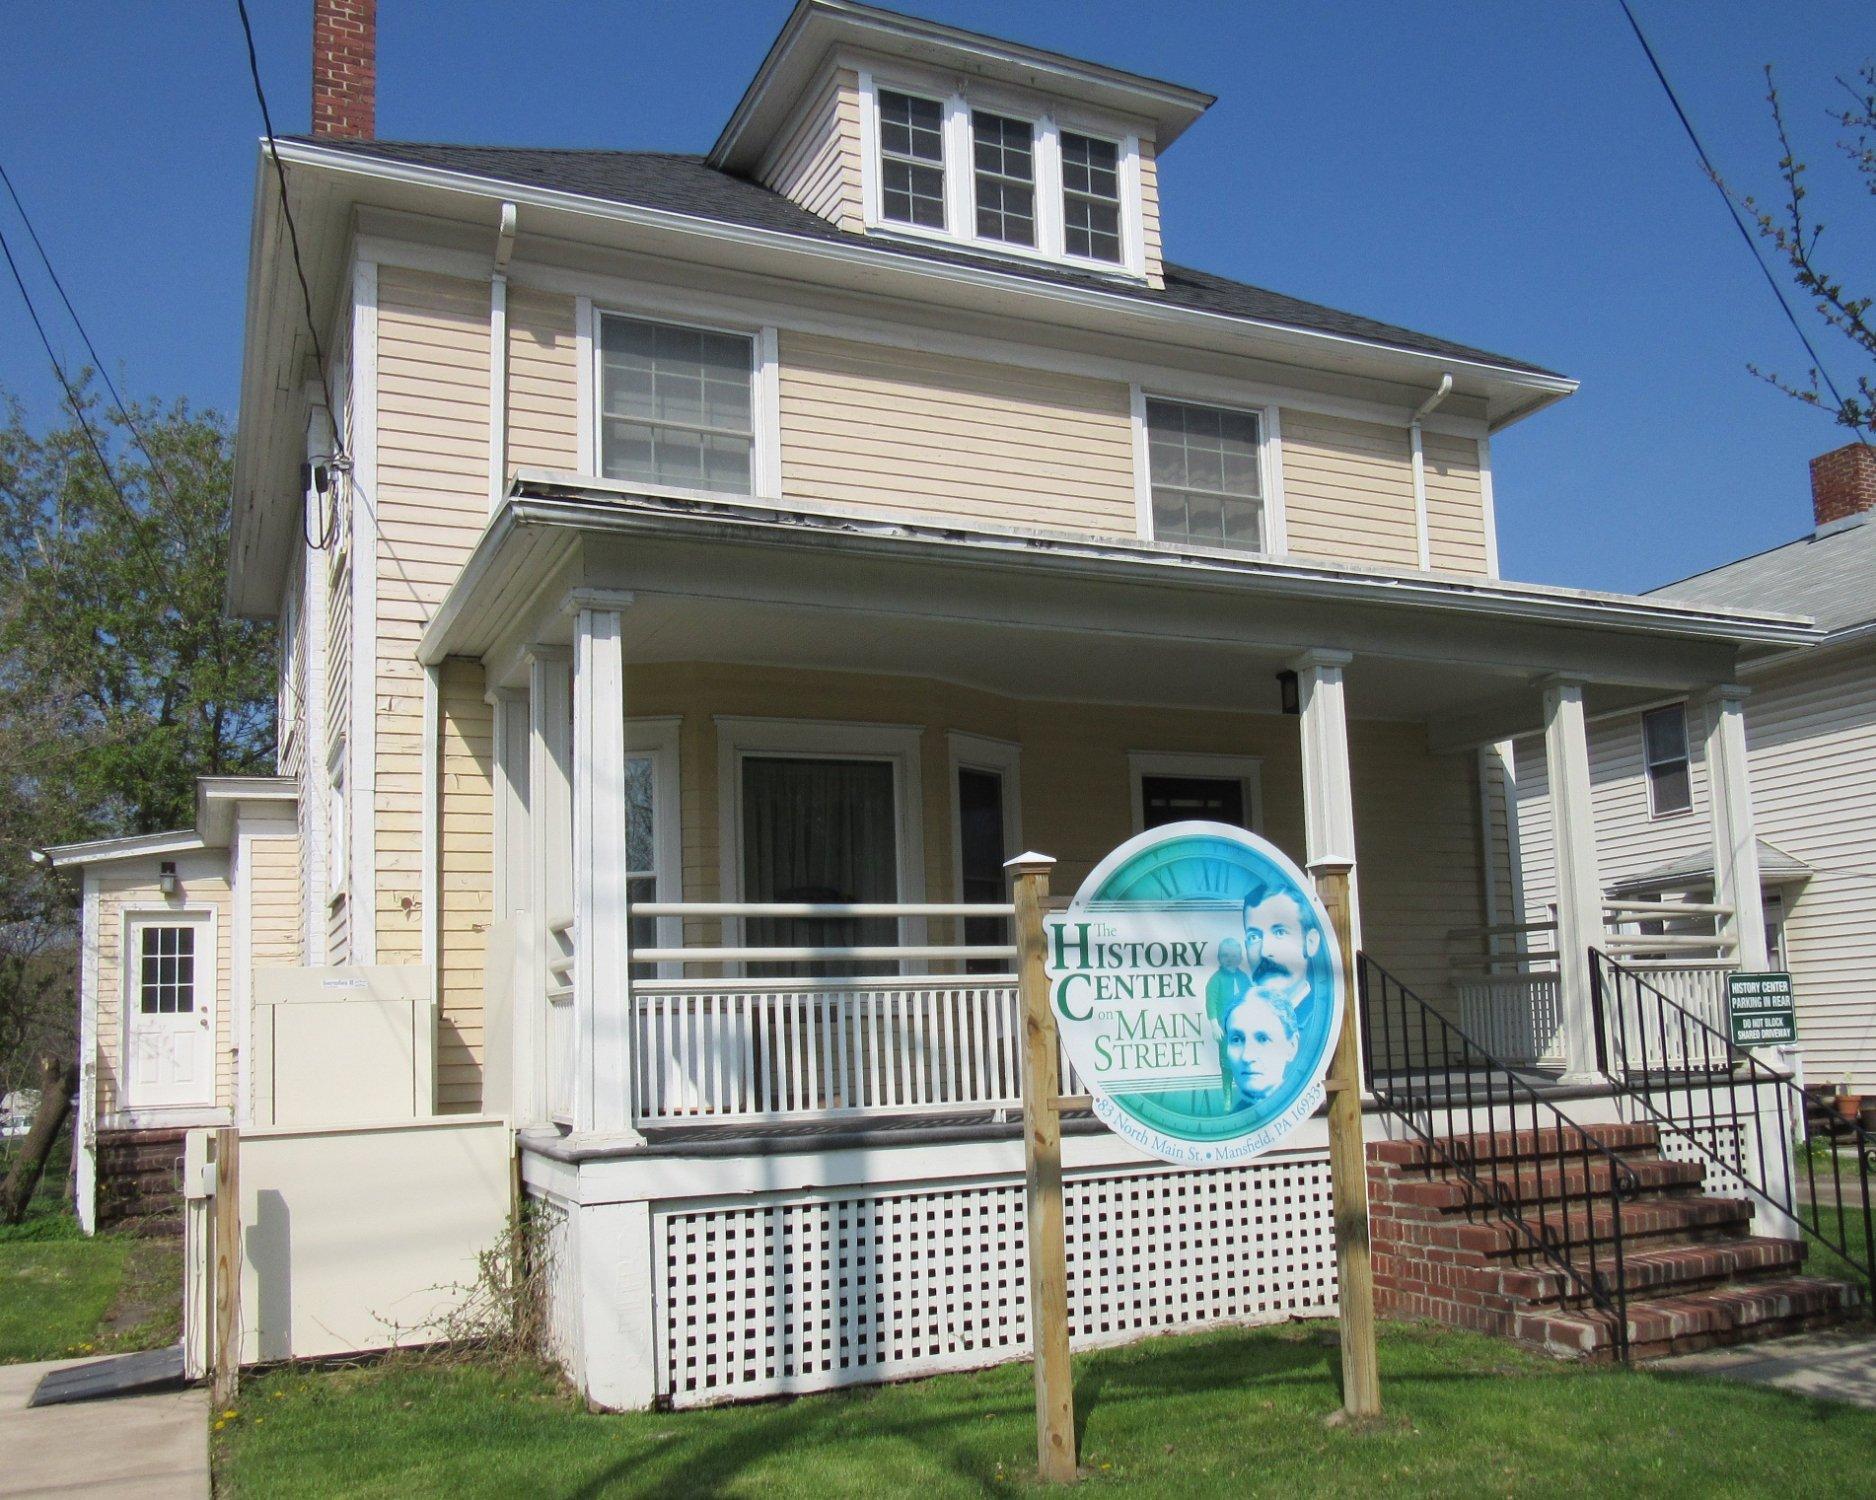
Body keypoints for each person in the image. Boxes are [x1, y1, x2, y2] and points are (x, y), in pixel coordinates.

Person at [1221, 985, 1302, 1106]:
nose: (1247, 1056)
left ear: (1291, 1047)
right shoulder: (1229, 1123)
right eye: (1236, 1040)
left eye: (1263, 1039)